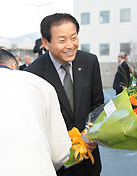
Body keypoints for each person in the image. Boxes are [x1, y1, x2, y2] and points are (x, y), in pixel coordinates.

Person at [25, 13, 104, 176]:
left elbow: (97, 104)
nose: (70, 45)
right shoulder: (32, 74)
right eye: (62, 40)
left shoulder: (89, 62)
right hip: (54, 165)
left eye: (74, 38)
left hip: (88, 160)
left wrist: (94, 136)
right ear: (45, 43)